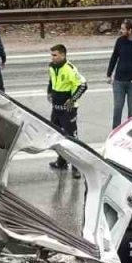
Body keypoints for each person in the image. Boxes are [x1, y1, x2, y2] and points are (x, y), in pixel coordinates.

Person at [45, 44, 88, 177]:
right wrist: (49, 92)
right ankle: (62, 161)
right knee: (57, 136)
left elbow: (83, 85)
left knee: (71, 137)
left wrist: (72, 100)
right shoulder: (52, 67)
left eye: (55, 55)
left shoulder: (70, 69)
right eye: (51, 55)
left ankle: (77, 166)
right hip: (56, 108)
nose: (52, 58)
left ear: (63, 55)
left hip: (68, 110)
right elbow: (52, 81)